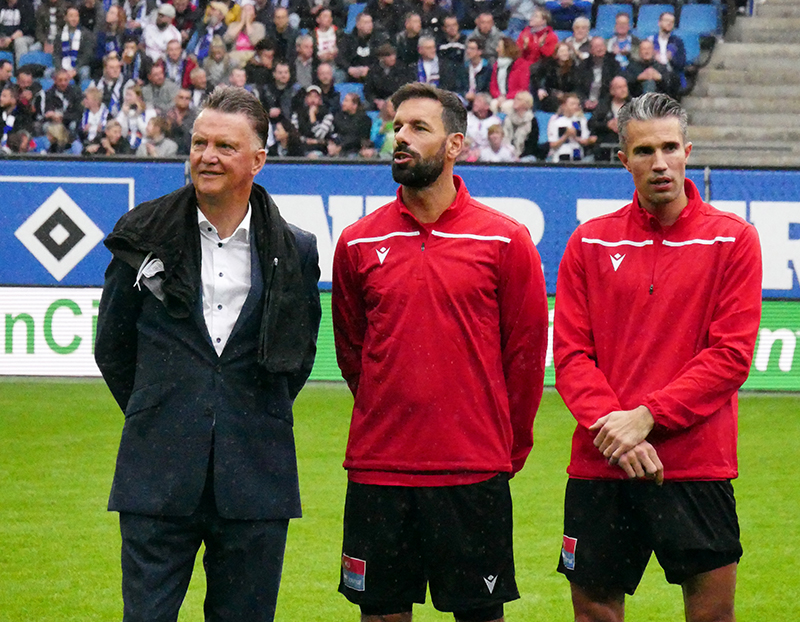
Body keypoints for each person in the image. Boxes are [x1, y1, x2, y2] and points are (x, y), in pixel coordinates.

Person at [95, 85, 321, 622]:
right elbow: (113, 347)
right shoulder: (141, 233)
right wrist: (164, 410)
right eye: (199, 143)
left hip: (256, 479)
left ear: (258, 160)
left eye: (224, 145)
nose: (207, 156)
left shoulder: (297, 248)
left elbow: (298, 355)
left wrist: (241, 411)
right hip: (156, 475)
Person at [332, 82, 548, 622]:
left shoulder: (505, 239)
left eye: (418, 128)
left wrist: (503, 449)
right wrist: (394, 406)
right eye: (397, 126)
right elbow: (353, 351)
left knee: (478, 614)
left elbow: (524, 358)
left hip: (472, 470)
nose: (399, 137)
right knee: (380, 614)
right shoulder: (357, 241)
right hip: (380, 470)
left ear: (455, 146)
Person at [553, 91, 762, 622]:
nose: (660, 163)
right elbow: (573, 355)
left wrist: (645, 418)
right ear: (623, 159)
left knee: (711, 615)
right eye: (644, 151)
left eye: (670, 147)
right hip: (602, 465)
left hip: (696, 464)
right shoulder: (588, 243)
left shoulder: (733, 240)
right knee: (595, 611)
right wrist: (615, 433)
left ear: (688, 151)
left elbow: (731, 356)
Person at [587, 74, 629, 160]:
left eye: (625, 87)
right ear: (612, 91)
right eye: (619, 87)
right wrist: (607, 125)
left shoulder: (634, 105)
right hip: (605, 147)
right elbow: (591, 123)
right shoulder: (603, 105)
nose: (623, 90)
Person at [546, 91, 594, 162]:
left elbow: (585, 140)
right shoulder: (555, 121)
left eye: (577, 104)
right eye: (572, 104)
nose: (575, 107)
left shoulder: (580, 120)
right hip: (560, 156)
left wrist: (576, 137)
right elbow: (553, 144)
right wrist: (566, 135)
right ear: (564, 105)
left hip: (577, 155)